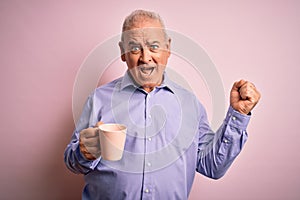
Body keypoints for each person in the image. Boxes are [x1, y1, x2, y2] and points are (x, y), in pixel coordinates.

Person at [64, 9, 261, 200]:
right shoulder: (98, 99)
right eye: (134, 48)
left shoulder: (190, 104)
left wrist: (238, 115)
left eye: (154, 46)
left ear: (168, 48)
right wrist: (84, 152)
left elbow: (213, 166)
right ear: (123, 53)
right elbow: (73, 162)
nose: (145, 57)